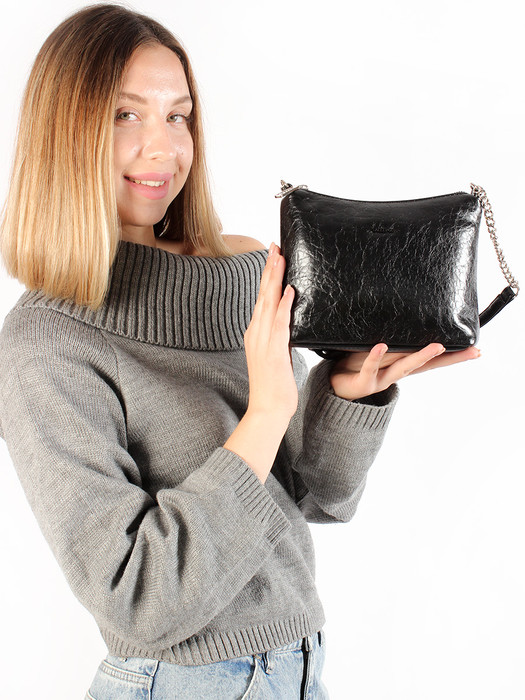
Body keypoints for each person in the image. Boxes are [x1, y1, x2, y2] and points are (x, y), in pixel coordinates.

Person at [0, 4, 481, 699]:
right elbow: (139, 600)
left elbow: (313, 496)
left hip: (299, 666)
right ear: (64, 131)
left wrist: (347, 393)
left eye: (178, 116)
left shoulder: (241, 273)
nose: (164, 148)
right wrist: (265, 414)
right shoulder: (46, 345)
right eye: (125, 115)